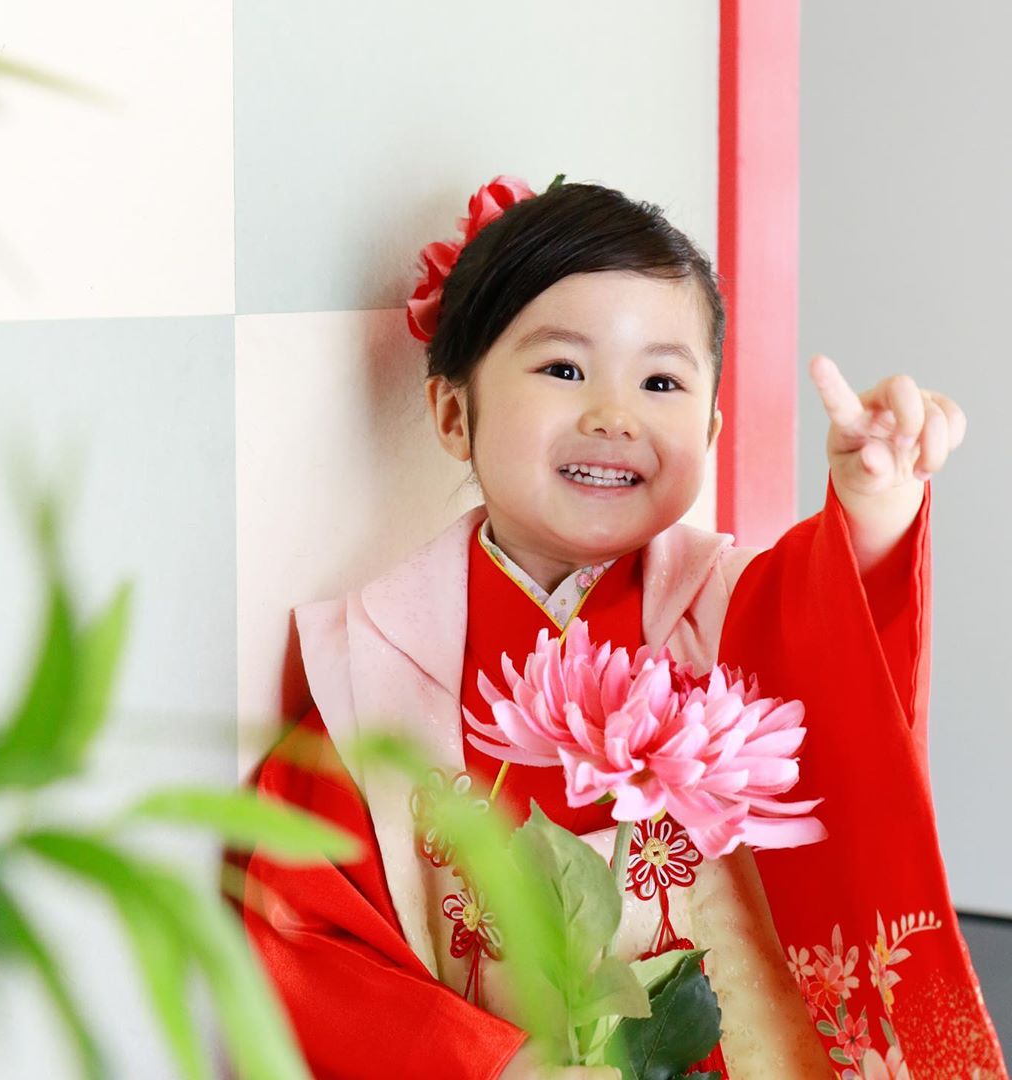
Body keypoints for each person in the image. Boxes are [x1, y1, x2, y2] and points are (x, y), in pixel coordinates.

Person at [237, 178, 1007, 1079]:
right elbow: (304, 928)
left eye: (661, 381)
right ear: (452, 413)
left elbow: (837, 648)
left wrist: (875, 501)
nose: (615, 415)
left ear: (709, 432)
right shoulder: (380, 665)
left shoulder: (724, 611)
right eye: (564, 370)